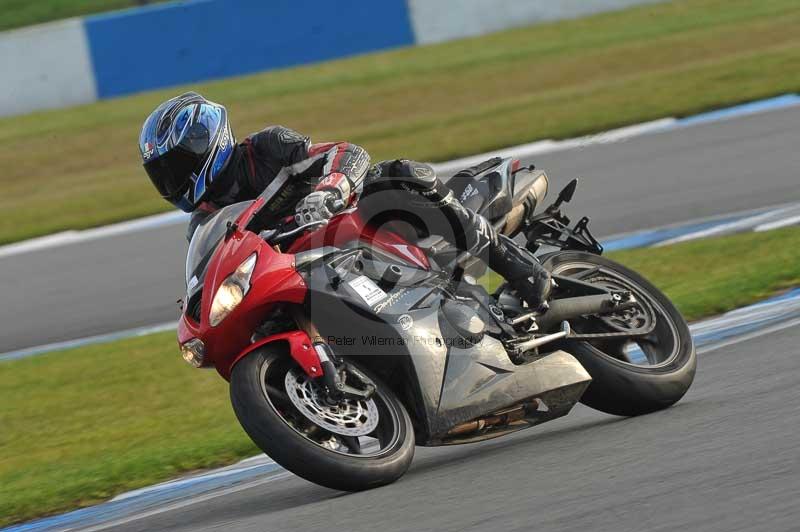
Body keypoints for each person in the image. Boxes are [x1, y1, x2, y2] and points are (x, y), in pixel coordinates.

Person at [139, 92, 551, 308]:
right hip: (313, 263)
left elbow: (345, 153)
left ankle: (520, 267)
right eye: (163, 175)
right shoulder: (203, 222)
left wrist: (329, 190)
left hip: (359, 217)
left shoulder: (265, 148)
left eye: (175, 168)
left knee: (400, 173)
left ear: (202, 146)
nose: (171, 182)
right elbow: (217, 267)